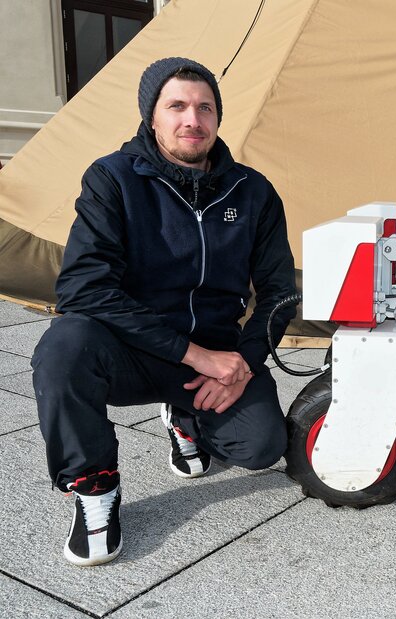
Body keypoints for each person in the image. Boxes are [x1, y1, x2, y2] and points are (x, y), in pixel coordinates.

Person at [31, 57, 297, 567]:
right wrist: (195, 356)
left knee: (261, 447)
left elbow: (279, 289)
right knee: (64, 349)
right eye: (176, 106)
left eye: (205, 108)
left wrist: (242, 362)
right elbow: (83, 289)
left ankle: (186, 417)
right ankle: (95, 491)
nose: (191, 120)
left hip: (215, 354)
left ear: (218, 118)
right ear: (151, 115)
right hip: (133, 351)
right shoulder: (113, 178)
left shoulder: (253, 191)